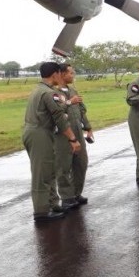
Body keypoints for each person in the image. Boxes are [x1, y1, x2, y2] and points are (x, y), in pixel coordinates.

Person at [22, 62, 81, 222]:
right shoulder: (48, 93)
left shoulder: (39, 89)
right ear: (55, 74)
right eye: (59, 73)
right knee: (41, 174)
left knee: (49, 170)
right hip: (39, 133)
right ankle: (41, 211)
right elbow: (59, 118)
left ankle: (53, 204)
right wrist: (73, 139)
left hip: (38, 132)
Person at [52, 63, 92, 207]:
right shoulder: (54, 93)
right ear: (62, 74)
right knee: (63, 165)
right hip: (63, 134)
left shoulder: (73, 90)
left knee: (81, 162)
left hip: (77, 131)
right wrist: (69, 102)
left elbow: (81, 110)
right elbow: (54, 112)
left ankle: (76, 193)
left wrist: (88, 127)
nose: (72, 76)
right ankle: (66, 197)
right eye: (70, 73)